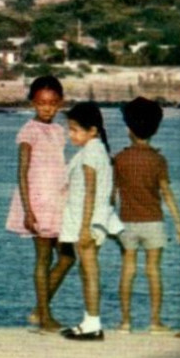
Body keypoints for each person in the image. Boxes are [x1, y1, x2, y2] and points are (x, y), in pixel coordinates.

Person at [5, 75, 75, 333]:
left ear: (60, 104)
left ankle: (40, 309)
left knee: (68, 258)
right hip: (37, 202)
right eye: (42, 103)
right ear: (33, 102)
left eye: (53, 103)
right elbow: (22, 172)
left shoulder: (59, 131)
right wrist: (28, 209)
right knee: (43, 258)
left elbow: (58, 167)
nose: (47, 108)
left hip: (58, 202)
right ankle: (45, 316)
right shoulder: (28, 132)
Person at [113, 97, 180, 334]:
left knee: (128, 270)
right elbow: (167, 193)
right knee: (153, 270)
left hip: (126, 222)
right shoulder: (158, 160)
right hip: (154, 222)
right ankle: (155, 321)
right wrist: (179, 225)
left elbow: (111, 195)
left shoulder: (120, 159)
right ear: (155, 128)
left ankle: (125, 321)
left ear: (128, 129)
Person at [60, 101, 119, 341]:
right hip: (93, 219)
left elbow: (90, 191)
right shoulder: (97, 151)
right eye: (70, 129)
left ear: (92, 130)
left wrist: (85, 227)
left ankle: (93, 323)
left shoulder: (91, 153)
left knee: (90, 271)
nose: (70, 134)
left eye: (75, 129)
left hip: (87, 222)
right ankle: (88, 321)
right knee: (86, 272)